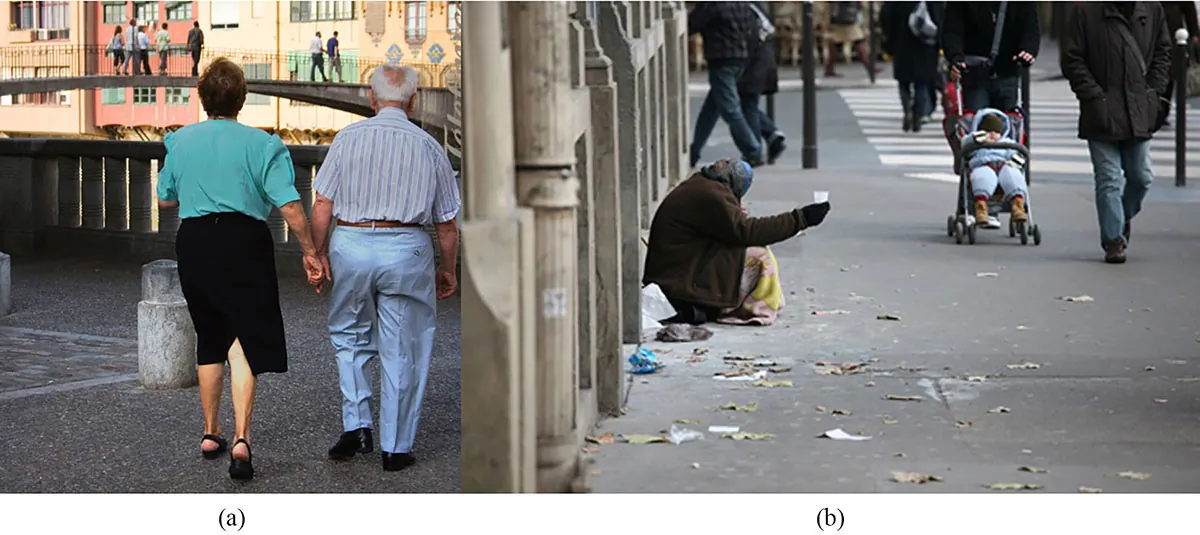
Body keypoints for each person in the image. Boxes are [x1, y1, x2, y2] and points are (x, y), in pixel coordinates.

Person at [156, 58, 323, 480]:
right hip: (245, 241)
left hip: (195, 242)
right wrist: (310, 252)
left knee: (210, 332)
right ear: (242, 100)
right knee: (244, 337)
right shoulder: (264, 145)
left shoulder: (180, 142)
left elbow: (164, 200)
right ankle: (242, 439)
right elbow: (289, 205)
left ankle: (210, 432)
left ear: (203, 98)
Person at [309, 65, 461, 471]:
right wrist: (448, 271)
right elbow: (446, 223)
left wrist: (317, 253)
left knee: (350, 334)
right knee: (404, 346)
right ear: (414, 101)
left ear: (372, 99)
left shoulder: (346, 140)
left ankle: (358, 425)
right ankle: (396, 446)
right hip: (406, 247)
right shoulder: (430, 147)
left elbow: (323, 203)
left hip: (352, 243)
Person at [643, 159, 831, 326]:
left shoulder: (702, 185)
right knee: (759, 256)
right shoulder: (711, 195)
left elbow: (728, 229)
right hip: (678, 276)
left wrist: (732, 210)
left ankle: (724, 303)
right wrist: (800, 219)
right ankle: (753, 310)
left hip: (678, 267)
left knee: (748, 252)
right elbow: (747, 232)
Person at [1061, 2, 1171, 264]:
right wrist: (1095, 98)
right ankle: (1113, 240)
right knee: (1108, 177)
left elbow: (1162, 52)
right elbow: (1072, 59)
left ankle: (1120, 217)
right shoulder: (1085, 11)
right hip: (1101, 111)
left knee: (1141, 176)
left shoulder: (1152, 9)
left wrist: (1153, 94)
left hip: (1138, 109)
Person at [687, 2, 765, 168]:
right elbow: (752, 29)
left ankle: (753, 149)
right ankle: (694, 151)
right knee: (711, 109)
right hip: (741, 58)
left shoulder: (713, 4)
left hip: (721, 58)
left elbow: (692, 24)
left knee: (729, 108)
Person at [942, 2, 1040, 111]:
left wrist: (1028, 50)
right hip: (976, 72)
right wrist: (956, 57)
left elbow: (1030, 27)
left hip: (1006, 69)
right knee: (979, 119)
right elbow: (953, 30)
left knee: (1008, 119)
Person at [880, 1, 944, 133]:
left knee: (903, 82)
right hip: (925, 45)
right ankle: (918, 114)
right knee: (922, 83)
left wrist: (889, 39)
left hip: (901, 43)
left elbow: (885, 16)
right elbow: (940, 19)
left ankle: (907, 110)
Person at [737, 1, 787, 165]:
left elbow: (748, 38)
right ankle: (772, 134)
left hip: (755, 61)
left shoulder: (744, 8)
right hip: (764, 58)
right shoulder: (754, 6)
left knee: (748, 103)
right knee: (747, 102)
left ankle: (755, 151)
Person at [963, 109, 1027, 226]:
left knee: (1013, 175)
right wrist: (975, 138)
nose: (992, 134)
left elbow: (1015, 153)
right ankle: (981, 207)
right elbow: (964, 145)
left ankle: (1017, 204)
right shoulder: (976, 143)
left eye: (996, 131)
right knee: (982, 178)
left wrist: (1016, 159)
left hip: (1005, 165)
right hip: (984, 164)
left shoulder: (1007, 143)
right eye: (988, 131)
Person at [1161, 1, 1200, 120]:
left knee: (1169, 77)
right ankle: (1159, 110)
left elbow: (1189, 11)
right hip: (1154, 32)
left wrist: (1195, 35)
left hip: (1174, 38)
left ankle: (1163, 110)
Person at [824, 1, 881, 78]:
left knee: (837, 45)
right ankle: (869, 67)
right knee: (859, 43)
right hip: (846, 19)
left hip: (843, 18)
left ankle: (829, 69)